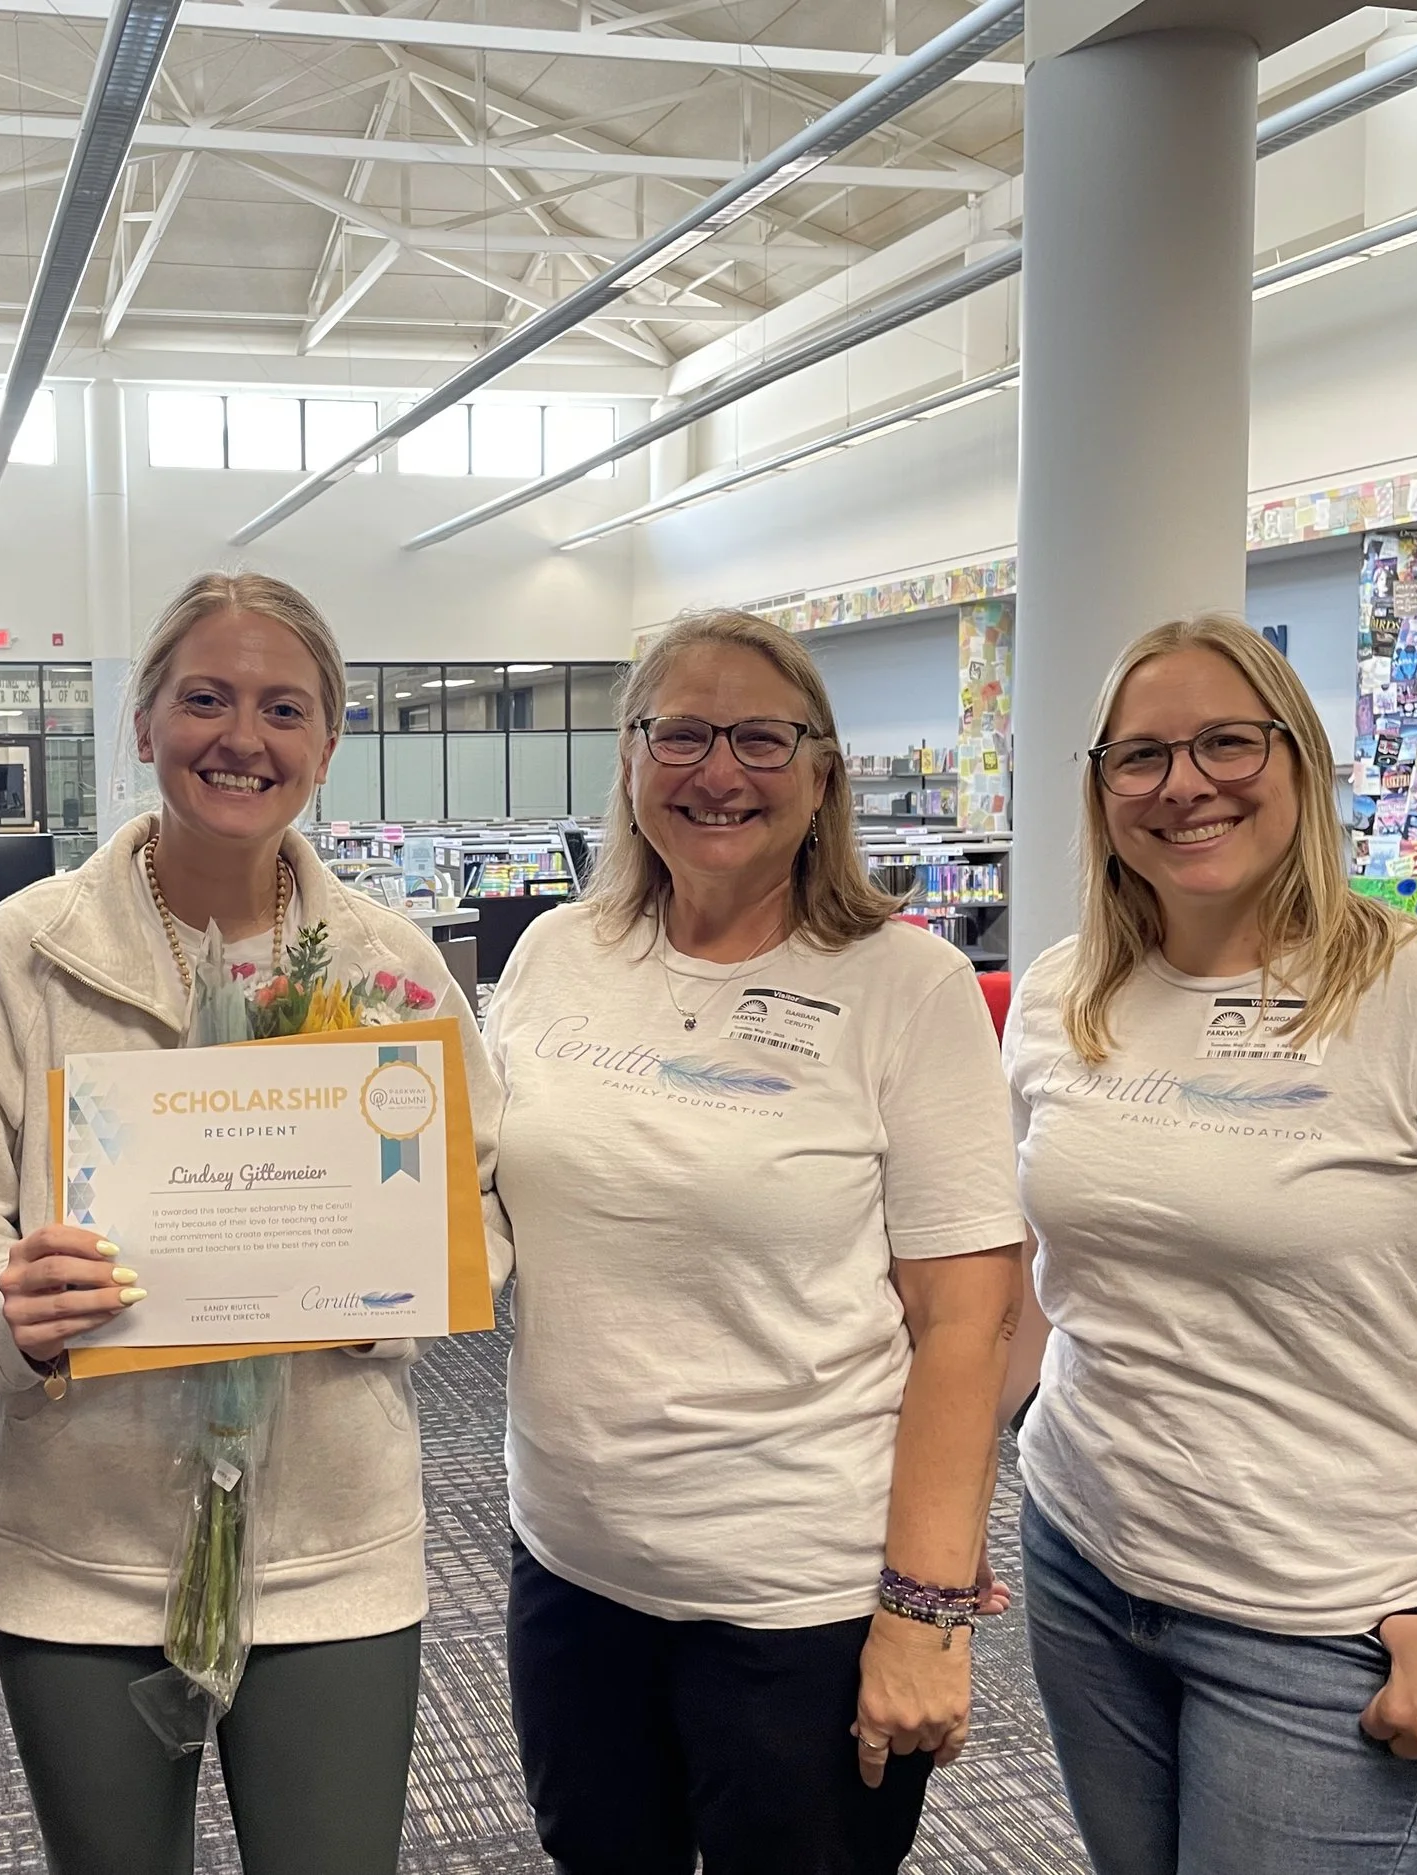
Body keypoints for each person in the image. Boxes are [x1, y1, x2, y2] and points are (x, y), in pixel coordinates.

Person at [0, 572, 510, 1875]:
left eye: (284, 708)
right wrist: (0, 1308)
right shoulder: (25, 955)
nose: (243, 738)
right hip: (83, 1546)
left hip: (332, 1540)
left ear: (328, 741)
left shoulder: (388, 968)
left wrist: (397, 1282)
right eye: (205, 698)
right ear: (144, 720)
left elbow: (483, 1201)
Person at [1002, 612, 1417, 1875]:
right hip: (1084, 1561)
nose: (1183, 784)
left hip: (1328, 1623)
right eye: (1139, 756)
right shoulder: (1061, 992)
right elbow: (1050, 1267)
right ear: (1099, 789)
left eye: (1226, 742)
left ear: (1301, 759)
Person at [485, 608, 1022, 1875]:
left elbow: (966, 1320)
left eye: (761, 739)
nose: (717, 772)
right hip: (570, 1562)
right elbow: (486, 1208)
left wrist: (926, 1610)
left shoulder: (905, 986)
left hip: (798, 1595)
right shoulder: (558, 954)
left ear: (820, 773)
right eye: (679, 734)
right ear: (630, 759)